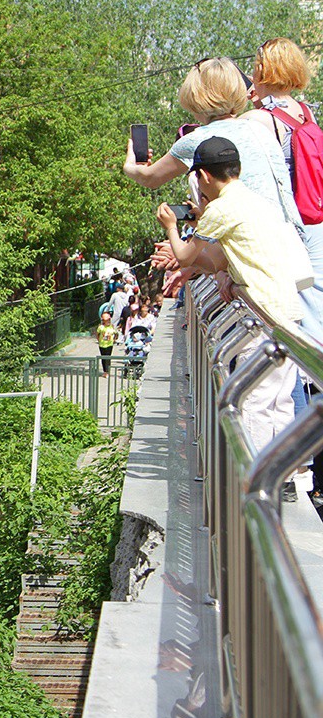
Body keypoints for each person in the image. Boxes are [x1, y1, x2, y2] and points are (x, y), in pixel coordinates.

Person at [156, 136, 302, 455]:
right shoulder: (252, 200)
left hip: (262, 316)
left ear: (204, 176)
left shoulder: (221, 208)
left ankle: (251, 482)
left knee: (254, 402)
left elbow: (184, 256)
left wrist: (171, 227)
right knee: (280, 399)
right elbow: (215, 261)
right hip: (287, 310)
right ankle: (292, 479)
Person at [123, 57, 297, 227]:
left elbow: (150, 179)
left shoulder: (199, 138)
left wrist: (129, 166)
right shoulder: (259, 128)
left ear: (195, 96)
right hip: (291, 237)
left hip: (253, 241)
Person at [241, 37, 323, 344]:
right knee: (315, 301)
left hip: (288, 224)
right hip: (316, 215)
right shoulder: (306, 112)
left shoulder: (259, 120)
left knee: (288, 305)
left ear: (262, 69)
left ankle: (303, 379)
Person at [96, 311, 119, 376]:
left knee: (108, 357)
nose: (108, 321)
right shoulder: (101, 327)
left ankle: (107, 371)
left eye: (109, 320)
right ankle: (105, 371)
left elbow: (116, 333)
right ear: (103, 320)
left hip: (109, 344)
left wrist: (114, 339)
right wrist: (99, 340)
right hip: (102, 345)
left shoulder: (111, 327)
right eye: (106, 320)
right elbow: (97, 334)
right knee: (103, 358)